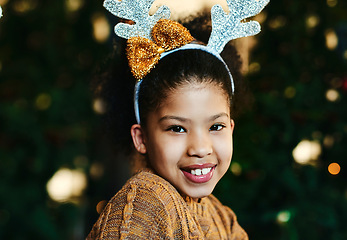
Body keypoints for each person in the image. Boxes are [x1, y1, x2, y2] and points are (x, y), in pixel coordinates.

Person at [87, 0, 268, 239]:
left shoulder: (221, 216)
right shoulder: (147, 201)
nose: (201, 148)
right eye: (177, 128)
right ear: (141, 138)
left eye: (216, 126)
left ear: (231, 129)